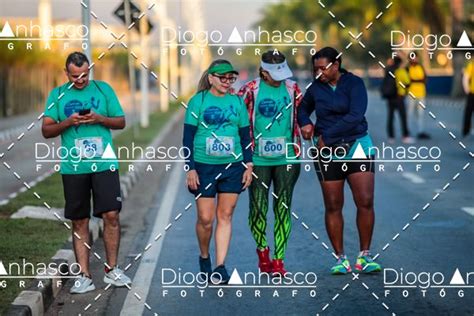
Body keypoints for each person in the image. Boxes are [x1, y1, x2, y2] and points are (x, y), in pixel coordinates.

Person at [42, 52, 131, 294]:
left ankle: (112, 270)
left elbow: (121, 121)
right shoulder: (58, 94)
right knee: (79, 220)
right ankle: (84, 275)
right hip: (74, 167)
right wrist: (69, 122)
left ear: (89, 70)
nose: (80, 80)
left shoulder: (103, 90)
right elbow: (46, 130)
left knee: (111, 215)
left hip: (104, 164)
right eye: (74, 76)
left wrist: (99, 118)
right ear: (66, 72)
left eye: (84, 75)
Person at [298, 47, 381, 275]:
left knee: (364, 200)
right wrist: (305, 122)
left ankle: (364, 256)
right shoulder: (315, 88)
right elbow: (302, 108)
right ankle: (340, 258)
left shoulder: (354, 84)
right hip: (327, 153)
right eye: (315, 69)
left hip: (357, 145)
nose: (318, 73)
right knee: (333, 205)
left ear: (336, 65)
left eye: (322, 68)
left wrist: (327, 137)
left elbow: (355, 115)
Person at [183, 59, 253, 284]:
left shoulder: (237, 101)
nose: (226, 81)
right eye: (221, 77)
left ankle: (220, 266)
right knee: (205, 218)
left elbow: (245, 137)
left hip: (233, 166)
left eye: (230, 77)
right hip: (204, 166)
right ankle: (205, 257)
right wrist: (190, 168)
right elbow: (187, 138)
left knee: (225, 215)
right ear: (211, 78)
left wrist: (248, 165)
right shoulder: (198, 101)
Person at [238, 50, 302, 276]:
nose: (280, 78)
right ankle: (263, 251)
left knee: (283, 207)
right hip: (258, 160)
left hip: (288, 157)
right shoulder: (249, 90)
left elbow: (303, 116)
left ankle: (279, 261)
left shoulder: (292, 88)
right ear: (263, 72)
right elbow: (238, 122)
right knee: (258, 209)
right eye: (275, 74)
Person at [407, 52, 431, 139]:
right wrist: (417, 80)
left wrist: (414, 80)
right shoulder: (407, 68)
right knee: (410, 113)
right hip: (411, 94)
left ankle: (420, 131)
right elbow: (407, 81)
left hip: (421, 94)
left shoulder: (421, 67)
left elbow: (424, 79)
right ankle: (408, 131)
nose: (414, 59)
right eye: (412, 57)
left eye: (415, 57)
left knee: (420, 114)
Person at [462, 60, 474, 138]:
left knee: (468, 112)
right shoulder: (472, 65)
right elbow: (466, 77)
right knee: (468, 112)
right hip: (472, 93)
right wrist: (467, 89)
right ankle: (466, 130)